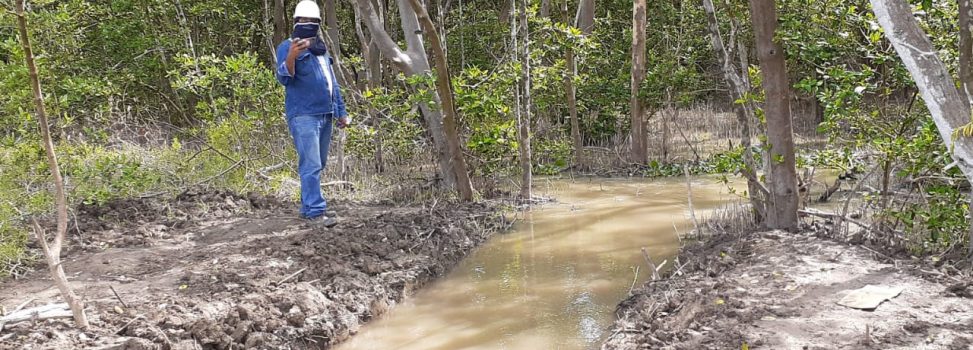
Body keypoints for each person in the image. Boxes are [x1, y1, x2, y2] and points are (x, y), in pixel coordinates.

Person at [275, 0, 350, 228]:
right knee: (311, 163)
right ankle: (315, 212)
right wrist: (292, 56)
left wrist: (341, 112)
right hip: (304, 114)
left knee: (320, 162)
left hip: (326, 113)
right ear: (296, 23)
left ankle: (309, 206)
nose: (308, 24)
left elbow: (331, 83)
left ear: (318, 24)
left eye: (312, 22)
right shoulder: (286, 47)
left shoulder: (320, 49)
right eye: (303, 21)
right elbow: (283, 78)